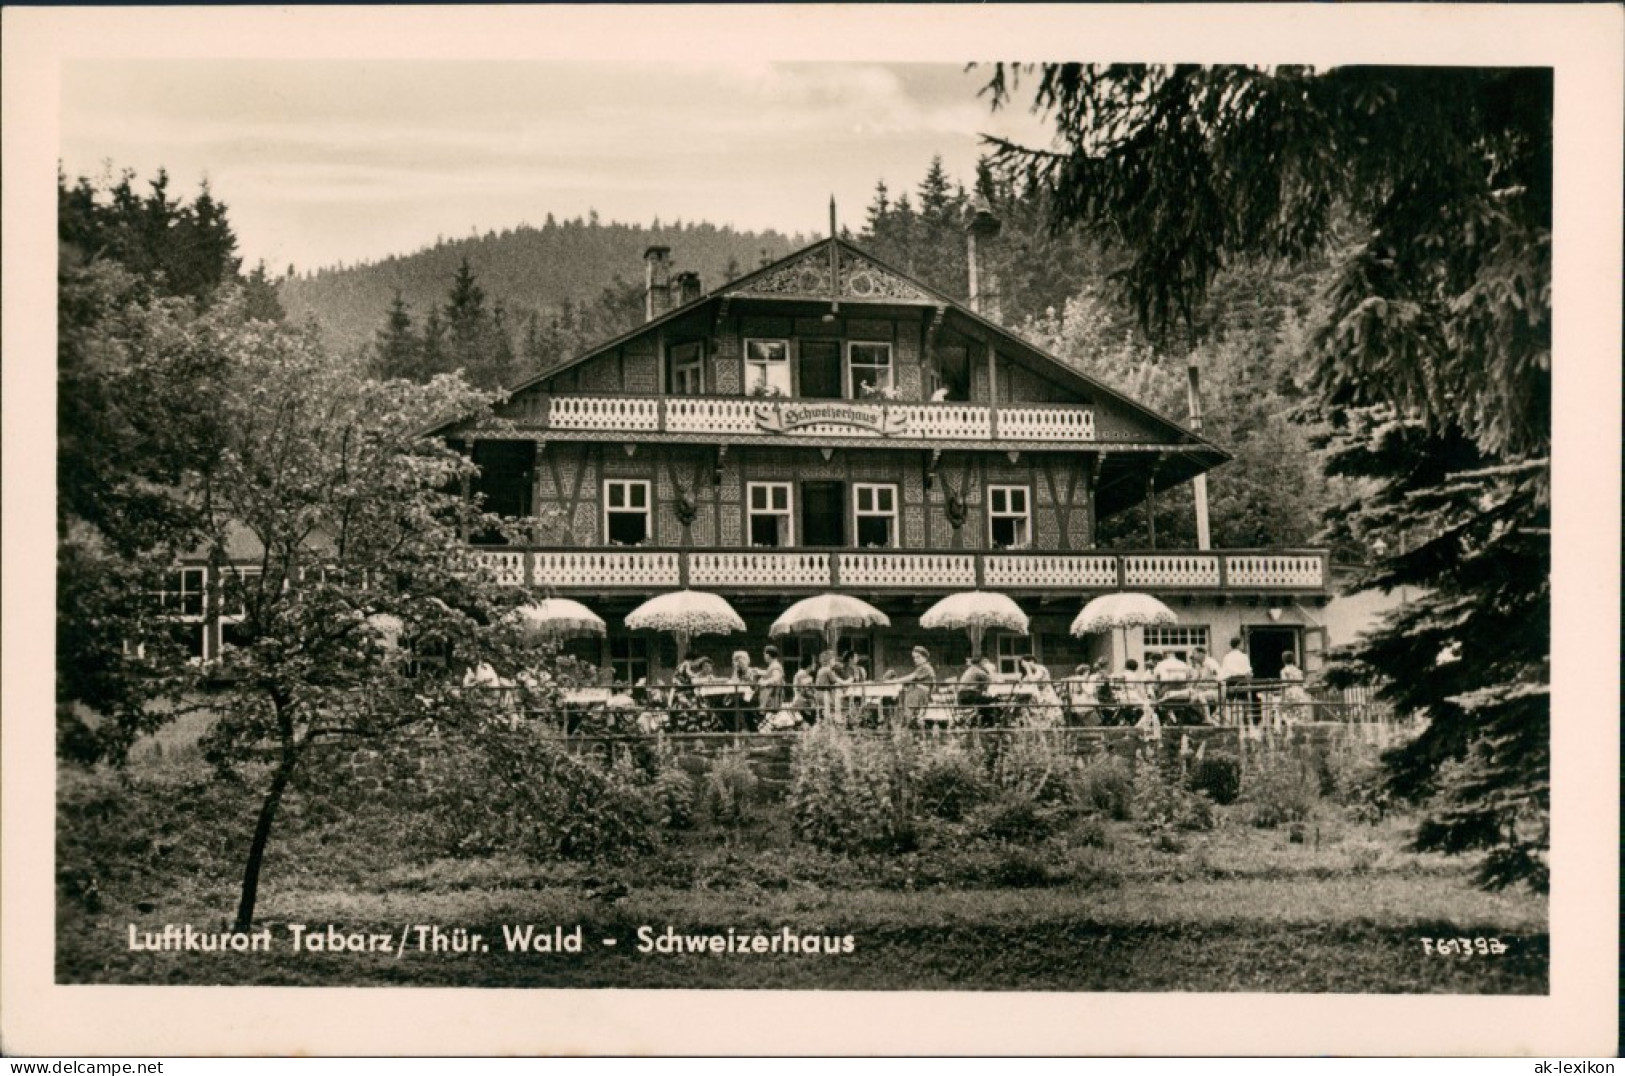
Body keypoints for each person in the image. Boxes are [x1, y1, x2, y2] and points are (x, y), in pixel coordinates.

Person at [888, 646, 936, 725]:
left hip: (920, 694)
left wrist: (895, 681)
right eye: (914, 658)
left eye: (918, 657)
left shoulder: (926, 667)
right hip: (917, 694)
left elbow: (911, 677)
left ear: (925, 658)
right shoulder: (921, 667)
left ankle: (906, 724)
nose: (915, 660)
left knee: (908, 711)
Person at [1017, 655, 1063, 727]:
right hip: (1037, 697)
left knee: (1050, 717)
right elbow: (1023, 682)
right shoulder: (1029, 673)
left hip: (1047, 695)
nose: (1025, 667)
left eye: (1025, 665)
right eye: (1023, 666)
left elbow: (1033, 680)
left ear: (1032, 661)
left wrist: (1028, 668)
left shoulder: (1041, 669)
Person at [812, 649, 851, 725]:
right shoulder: (827, 670)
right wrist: (851, 679)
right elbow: (842, 682)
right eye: (833, 660)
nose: (835, 662)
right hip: (824, 694)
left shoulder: (821, 669)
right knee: (836, 704)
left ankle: (831, 722)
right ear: (829, 661)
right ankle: (836, 721)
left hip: (819, 694)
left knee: (826, 710)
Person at [957, 654, 997, 726]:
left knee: (986, 700)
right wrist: (989, 670)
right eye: (985, 663)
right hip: (970, 696)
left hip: (962, 697)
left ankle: (983, 720)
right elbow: (991, 680)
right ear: (981, 663)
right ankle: (989, 721)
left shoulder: (971, 669)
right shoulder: (978, 671)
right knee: (993, 699)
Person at [757, 645, 787, 717]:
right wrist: (759, 671)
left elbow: (775, 678)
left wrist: (764, 682)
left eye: (764, 654)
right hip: (771, 696)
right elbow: (769, 673)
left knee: (770, 717)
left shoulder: (775, 666)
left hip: (772, 697)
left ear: (768, 655)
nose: (764, 656)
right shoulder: (773, 665)